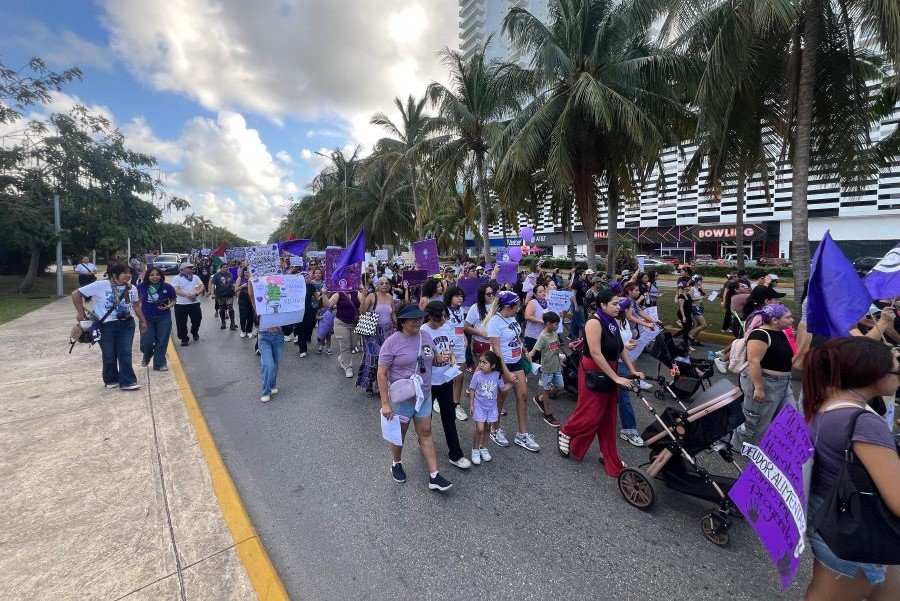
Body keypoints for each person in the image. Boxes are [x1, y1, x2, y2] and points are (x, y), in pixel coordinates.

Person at [801, 337, 900, 600]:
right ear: (873, 374)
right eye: (896, 370)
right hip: (854, 529)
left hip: (831, 516)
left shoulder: (827, 400)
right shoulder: (864, 423)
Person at [557, 289, 645, 477]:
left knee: (608, 417)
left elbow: (620, 349)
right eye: (614, 303)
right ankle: (566, 431)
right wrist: (616, 378)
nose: (618, 307)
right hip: (594, 370)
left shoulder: (612, 321)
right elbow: (596, 353)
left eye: (618, 303)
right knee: (591, 413)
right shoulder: (594, 323)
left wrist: (632, 370)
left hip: (610, 368)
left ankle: (608, 454)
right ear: (603, 305)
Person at [377, 303, 454, 492]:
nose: (418, 321)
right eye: (412, 319)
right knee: (400, 434)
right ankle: (396, 463)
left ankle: (434, 475)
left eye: (419, 318)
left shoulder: (425, 336)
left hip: (424, 395)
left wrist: (442, 358)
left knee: (426, 431)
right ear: (402, 321)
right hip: (403, 399)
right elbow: (382, 373)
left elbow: (432, 359)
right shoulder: (392, 342)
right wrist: (385, 403)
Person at [71, 263, 147, 390]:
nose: (128, 275)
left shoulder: (132, 288)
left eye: (130, 273)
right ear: (115, 274)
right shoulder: (101, 285)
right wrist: (80, 313)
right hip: (106, 325)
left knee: (125, 352)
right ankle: (111, 379)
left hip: (127, 324)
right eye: (124, 272)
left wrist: (143, 321)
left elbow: (136, 305)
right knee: (109, 354)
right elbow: (76, 294)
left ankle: (128, 381)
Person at [731, 303, 796, 448]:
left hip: (782, 384)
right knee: (755, 422)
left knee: (790, 418)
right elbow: (753, 361)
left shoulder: (781, 332)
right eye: (788, 317)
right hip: (766, 383)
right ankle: (741, 447)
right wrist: (758, 388)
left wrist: (787, 379)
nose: (792, 320)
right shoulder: (760, 334)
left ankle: (777, 449)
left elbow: (784, 358)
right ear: (774, 320)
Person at [485, 291, 540, 452]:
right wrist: (506, 372)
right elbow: (496, 350)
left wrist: (524, 350)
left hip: (517, 362)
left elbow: (516, 336)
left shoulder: (511, 318)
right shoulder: (494, 322)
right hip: (502, 365)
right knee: (500, 398)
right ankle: (495, 429)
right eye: (516, 306)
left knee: (523, 396)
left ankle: (522, 434)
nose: (518, 309)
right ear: (508, 307)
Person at [423, 301, 471, 469]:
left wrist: (452, 359)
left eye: (445, 316)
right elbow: (423, 359)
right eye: (440, 317)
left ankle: (455, 454)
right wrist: (437, 360)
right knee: (425, 419)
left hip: (445, 379)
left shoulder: (446, 327)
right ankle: (424, 444)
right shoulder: (423, 331)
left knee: (449, 417)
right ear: (430, 317)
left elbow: (449, 348)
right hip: (429, 382)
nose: (443, 320)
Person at [468, 351, 511, 465]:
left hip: (492, 408)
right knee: (480, 429)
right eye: (480, 362)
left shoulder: (497, 375)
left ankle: (484, 447)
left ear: (492, 365)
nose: (481, 364)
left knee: (487, 429)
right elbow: (472, 389)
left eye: (484, 363)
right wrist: (471, 404)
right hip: (479, 406)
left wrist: (512, 383)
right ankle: (475, 449)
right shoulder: (477, 375)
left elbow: (502, 388)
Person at [357, 277, 396, 395]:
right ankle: (368, 384)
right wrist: (364, 297)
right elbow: (362, 312)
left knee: (384, 359)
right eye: (381, 283)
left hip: (387, 332)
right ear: (377, 286)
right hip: (372, 331)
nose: (384, 285)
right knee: (372, 358)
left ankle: (380, 386)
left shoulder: (390, 298)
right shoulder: (372, 296)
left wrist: (399, 327)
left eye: (387, 283)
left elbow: (393, 314)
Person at [249, 279, 283, 403]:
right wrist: (250, 282)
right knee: (269, 364)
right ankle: (265, 391)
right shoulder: (260, 305)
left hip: (278, 337)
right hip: (264, 337)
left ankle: (272, 385)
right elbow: (251, 295)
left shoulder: (282, 305)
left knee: (276, 364)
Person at [527, 311, 563, 427]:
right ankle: (547, 414)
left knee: (560, 386)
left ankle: (540, 398)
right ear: (548, 324)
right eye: (555, 324)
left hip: (556, 367)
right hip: (547, 369)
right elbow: (533, 351)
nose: (557, 326)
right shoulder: (542, 336)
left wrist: (560, 362)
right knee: (546, 391)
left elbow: (556, 349)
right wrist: (527, 358)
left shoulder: (555, 334)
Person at [137, 267, 176, 371]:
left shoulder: (167, 287)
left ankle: (160, 363)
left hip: (163, 317)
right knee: (147, 342)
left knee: (162, 341)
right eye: (152, 275)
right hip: (146, 318)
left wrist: (168, 306)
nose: (155, 277)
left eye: (157, 275)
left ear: (161, 276)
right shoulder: (141, 287)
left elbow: (173, 300)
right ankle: (147, 356)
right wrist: (141, 317)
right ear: (147, 276)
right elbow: (137, 303)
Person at [444, 285, 469, 421]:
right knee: (446, 377)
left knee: (460, 377)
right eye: (457, 295)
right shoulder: (445, 310)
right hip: (447, 348)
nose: (460, 298)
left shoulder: (460, 311)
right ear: (450, 297)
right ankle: (441, 400)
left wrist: (464, 336)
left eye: (461, 296)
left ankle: (456, 404)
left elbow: (460, 327)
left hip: (460, 347)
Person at [326, 287, 361, 378]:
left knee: (353, 345)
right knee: (345, 346)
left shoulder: (356, 293)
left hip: (354, 324)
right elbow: (328, 305)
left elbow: (364, 304)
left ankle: (342, 358)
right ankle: (348, 367)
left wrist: (364, 294)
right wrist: (324, 294)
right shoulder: (338, 294)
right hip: (341, 324)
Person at [172, 263, 204, 346]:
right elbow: (176, 290)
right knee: (181, 322)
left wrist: (196, 294)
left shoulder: (195, 277)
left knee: (197, 319)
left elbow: (202, 286)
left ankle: (194, 331)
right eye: (190, 267)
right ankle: (184, 338)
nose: (192, 269)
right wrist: (188, 296)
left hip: (195, 303)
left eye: (192, 267)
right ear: (183, 269)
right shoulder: (177, 278)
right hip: (181, 304)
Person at [523, 283, 549, 358]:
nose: (543, 293)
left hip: (545, 336)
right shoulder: (532, 303)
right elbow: (527, 316)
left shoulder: (548, 302)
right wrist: (542, 321)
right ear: (535, 294)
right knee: (534, 357)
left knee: (544, 357)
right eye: (540, 292)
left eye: (544, 291)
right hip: (533, 336)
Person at [209, 263, 237, 331]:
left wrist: (236, 290)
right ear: (221, 268)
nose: (226, 268)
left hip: (229, 293)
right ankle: (223, 323)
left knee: (230, 308)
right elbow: (212, 284)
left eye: (227, 267)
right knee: (222, 309)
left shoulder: (230, 274)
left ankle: (232, 323)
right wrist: (212, 293)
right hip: (220, 294)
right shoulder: (216, 275)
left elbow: (233, 283)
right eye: (224, 267)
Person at [235, 266, 255, 338]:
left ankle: (249, 331)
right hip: (243, 297)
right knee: (243, 315)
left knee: (251, 315)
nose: (247, 274)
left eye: (248, 272)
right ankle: (243, 330)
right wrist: (242, 286)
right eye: (246, 272)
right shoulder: (240, 278)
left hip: (251, 297)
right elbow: (236, 289)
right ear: (243, 272)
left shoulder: (253, 278)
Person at [673, 281, 694, 348]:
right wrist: (683, 317)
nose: (690, 287)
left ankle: (674, 336)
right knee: (686, 329)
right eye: (688, 286)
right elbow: (681, 307)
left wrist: (701, 298)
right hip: (683, 314)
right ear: (685, 288)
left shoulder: (688, 294)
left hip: (688, 313)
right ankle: (686, 345)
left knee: (688, 328)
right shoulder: (681, 296)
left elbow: (691, 301)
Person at [688, 274, 707, 346]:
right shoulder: (692, 289)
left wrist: (705, 296)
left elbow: (701, 297)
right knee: (704, 325)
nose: (702, 282)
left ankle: (694, 340)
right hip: (695, 307)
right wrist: (701, 298)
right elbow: (690, 299)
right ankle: (691, 336)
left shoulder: (699, 289)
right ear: (696, 282)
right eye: (700, 281)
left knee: (697, 324)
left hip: (699, 306)